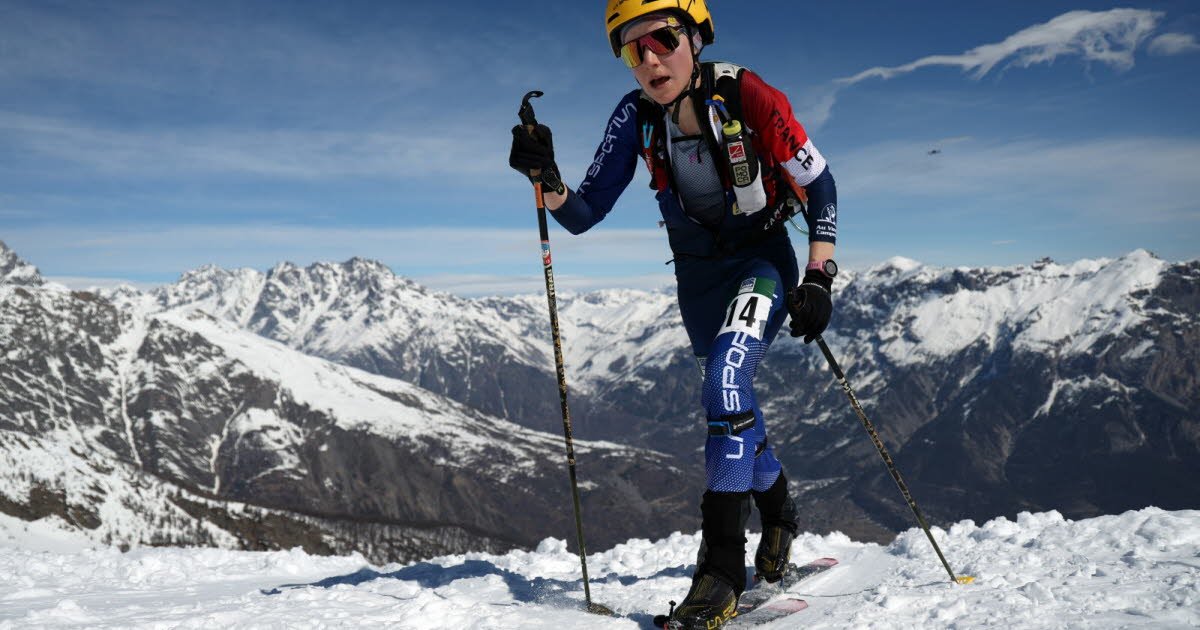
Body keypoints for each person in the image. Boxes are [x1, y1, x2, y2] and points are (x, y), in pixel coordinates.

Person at [509, 1, 838, 627]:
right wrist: (544, 177)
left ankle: (721, 572)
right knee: (732, 400)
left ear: (695, 37)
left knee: (725, 383)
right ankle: (780, 515)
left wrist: (819, 275)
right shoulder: (634, 117)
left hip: (761, 261)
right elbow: (581, 213)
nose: (650, 59)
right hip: (697, 281)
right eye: (633, 50)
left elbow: (819, 182)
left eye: (662, 39)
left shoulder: (745, 93)